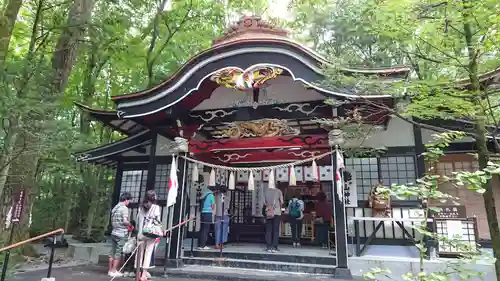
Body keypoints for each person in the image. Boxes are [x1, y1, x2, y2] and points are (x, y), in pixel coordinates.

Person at [136, 190, 162, 281]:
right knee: (148, 253)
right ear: (153, 197)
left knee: (139, 253)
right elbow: (157, 221)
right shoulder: (156, 207)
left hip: (141, 233)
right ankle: (144, 275)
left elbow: (138, 220)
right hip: (150, 233)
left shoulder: (141, 207)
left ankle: (138, 274)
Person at [108, 192, 132, 277]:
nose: (129, 203)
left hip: (114, 232)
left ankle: (110, 270)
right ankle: (114, 271)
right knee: (118, 253)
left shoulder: (115, 208)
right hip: (121, 233)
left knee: (112, 252)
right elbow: (125, 221)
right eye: (129, 201)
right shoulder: (124, 208)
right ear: (126, 200)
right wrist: (130, 225)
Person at [264, 186, 283, 253]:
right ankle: (274, 247)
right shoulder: (278, 191)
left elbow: (264, 203)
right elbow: (281, 202)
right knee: (276, 230)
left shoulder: (266, 191)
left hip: (269, 212)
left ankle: (268, 247)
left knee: (269, 230)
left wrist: (269, 207)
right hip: (276, 212)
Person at [198, 185, 215, 250]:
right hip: (208, 213)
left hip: (202, 213)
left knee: (202, 229)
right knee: (206, 229)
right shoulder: (211, 195)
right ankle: (203, 245)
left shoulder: (204, 194)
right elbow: (213, 206)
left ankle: (200, 245)